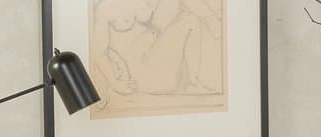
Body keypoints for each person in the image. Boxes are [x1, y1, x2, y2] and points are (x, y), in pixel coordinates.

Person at [91, 0, 224, 105]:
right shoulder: (104, 9)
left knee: (189, 18)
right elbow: (99, 52)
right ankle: (193, 83)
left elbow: (156, 23)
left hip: (156, 60)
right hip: (143, 75)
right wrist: (115, 84)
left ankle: (210, 19)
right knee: (190, 19)